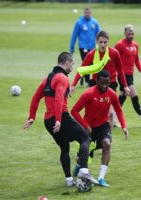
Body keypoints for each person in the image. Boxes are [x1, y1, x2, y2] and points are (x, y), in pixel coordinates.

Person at [23, 52, 98, 187]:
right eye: (72, 64)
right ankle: (84, 171)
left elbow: (35, 98)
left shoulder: (47, 79)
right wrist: (58, 119)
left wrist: (32, 117)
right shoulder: (63, 78)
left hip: (48, 121)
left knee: (64, 148)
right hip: (61, 117)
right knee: (85, 139)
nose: (73, 67)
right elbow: (58, 99)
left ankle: (69, 180)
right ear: (67, 62)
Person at [71, 70, 129, 187]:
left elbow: (119, 110)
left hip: (103, 126)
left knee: (107, 144)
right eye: (102, 83)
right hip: (89, 128)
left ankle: (101, 178)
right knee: (84, 158)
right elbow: (74, 111)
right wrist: (86, 125)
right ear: (96, 81)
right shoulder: (88, 94)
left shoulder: (112, 94)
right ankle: (78, 165)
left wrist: (124, 126)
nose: (105, 85)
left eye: (107, 83)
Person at [70, 30, 130, 127]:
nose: (103, 44)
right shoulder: (91, 54)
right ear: (97, 42)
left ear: (108, 42)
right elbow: (82, 70)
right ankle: (90, 133)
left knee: (110, 114)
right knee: (92, 113)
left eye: (105, 42)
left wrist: (125, 86)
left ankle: (107, 137)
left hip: (110, 85)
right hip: (95, 85)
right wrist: (73, 85)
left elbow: (120, 70)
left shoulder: (114, 53)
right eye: (100, 42)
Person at [114, 24, 141, 128]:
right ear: (124, 33)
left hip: (130, 75)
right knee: (134, 97)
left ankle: (112, 118)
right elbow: (112, 57)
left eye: (132, 33)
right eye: (129, 33)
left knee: (122, 97)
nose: (131, 35)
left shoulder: (135, 45)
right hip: (123, 76)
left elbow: (136, 59)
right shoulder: (119, 45)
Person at [70, 7, 101, 87]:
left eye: (88, 12)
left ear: (91, 12)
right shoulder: (79, 22)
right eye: (86, 13)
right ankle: (87, 81)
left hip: (92, 47)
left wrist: (100, 45)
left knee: (91, 64)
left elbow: (100, 35)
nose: (87, 14)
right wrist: (72, 47)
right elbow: (74, 35)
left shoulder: (95, 22)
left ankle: (83, 77)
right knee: (86, 63)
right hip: (82, 47)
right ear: (84, 13)